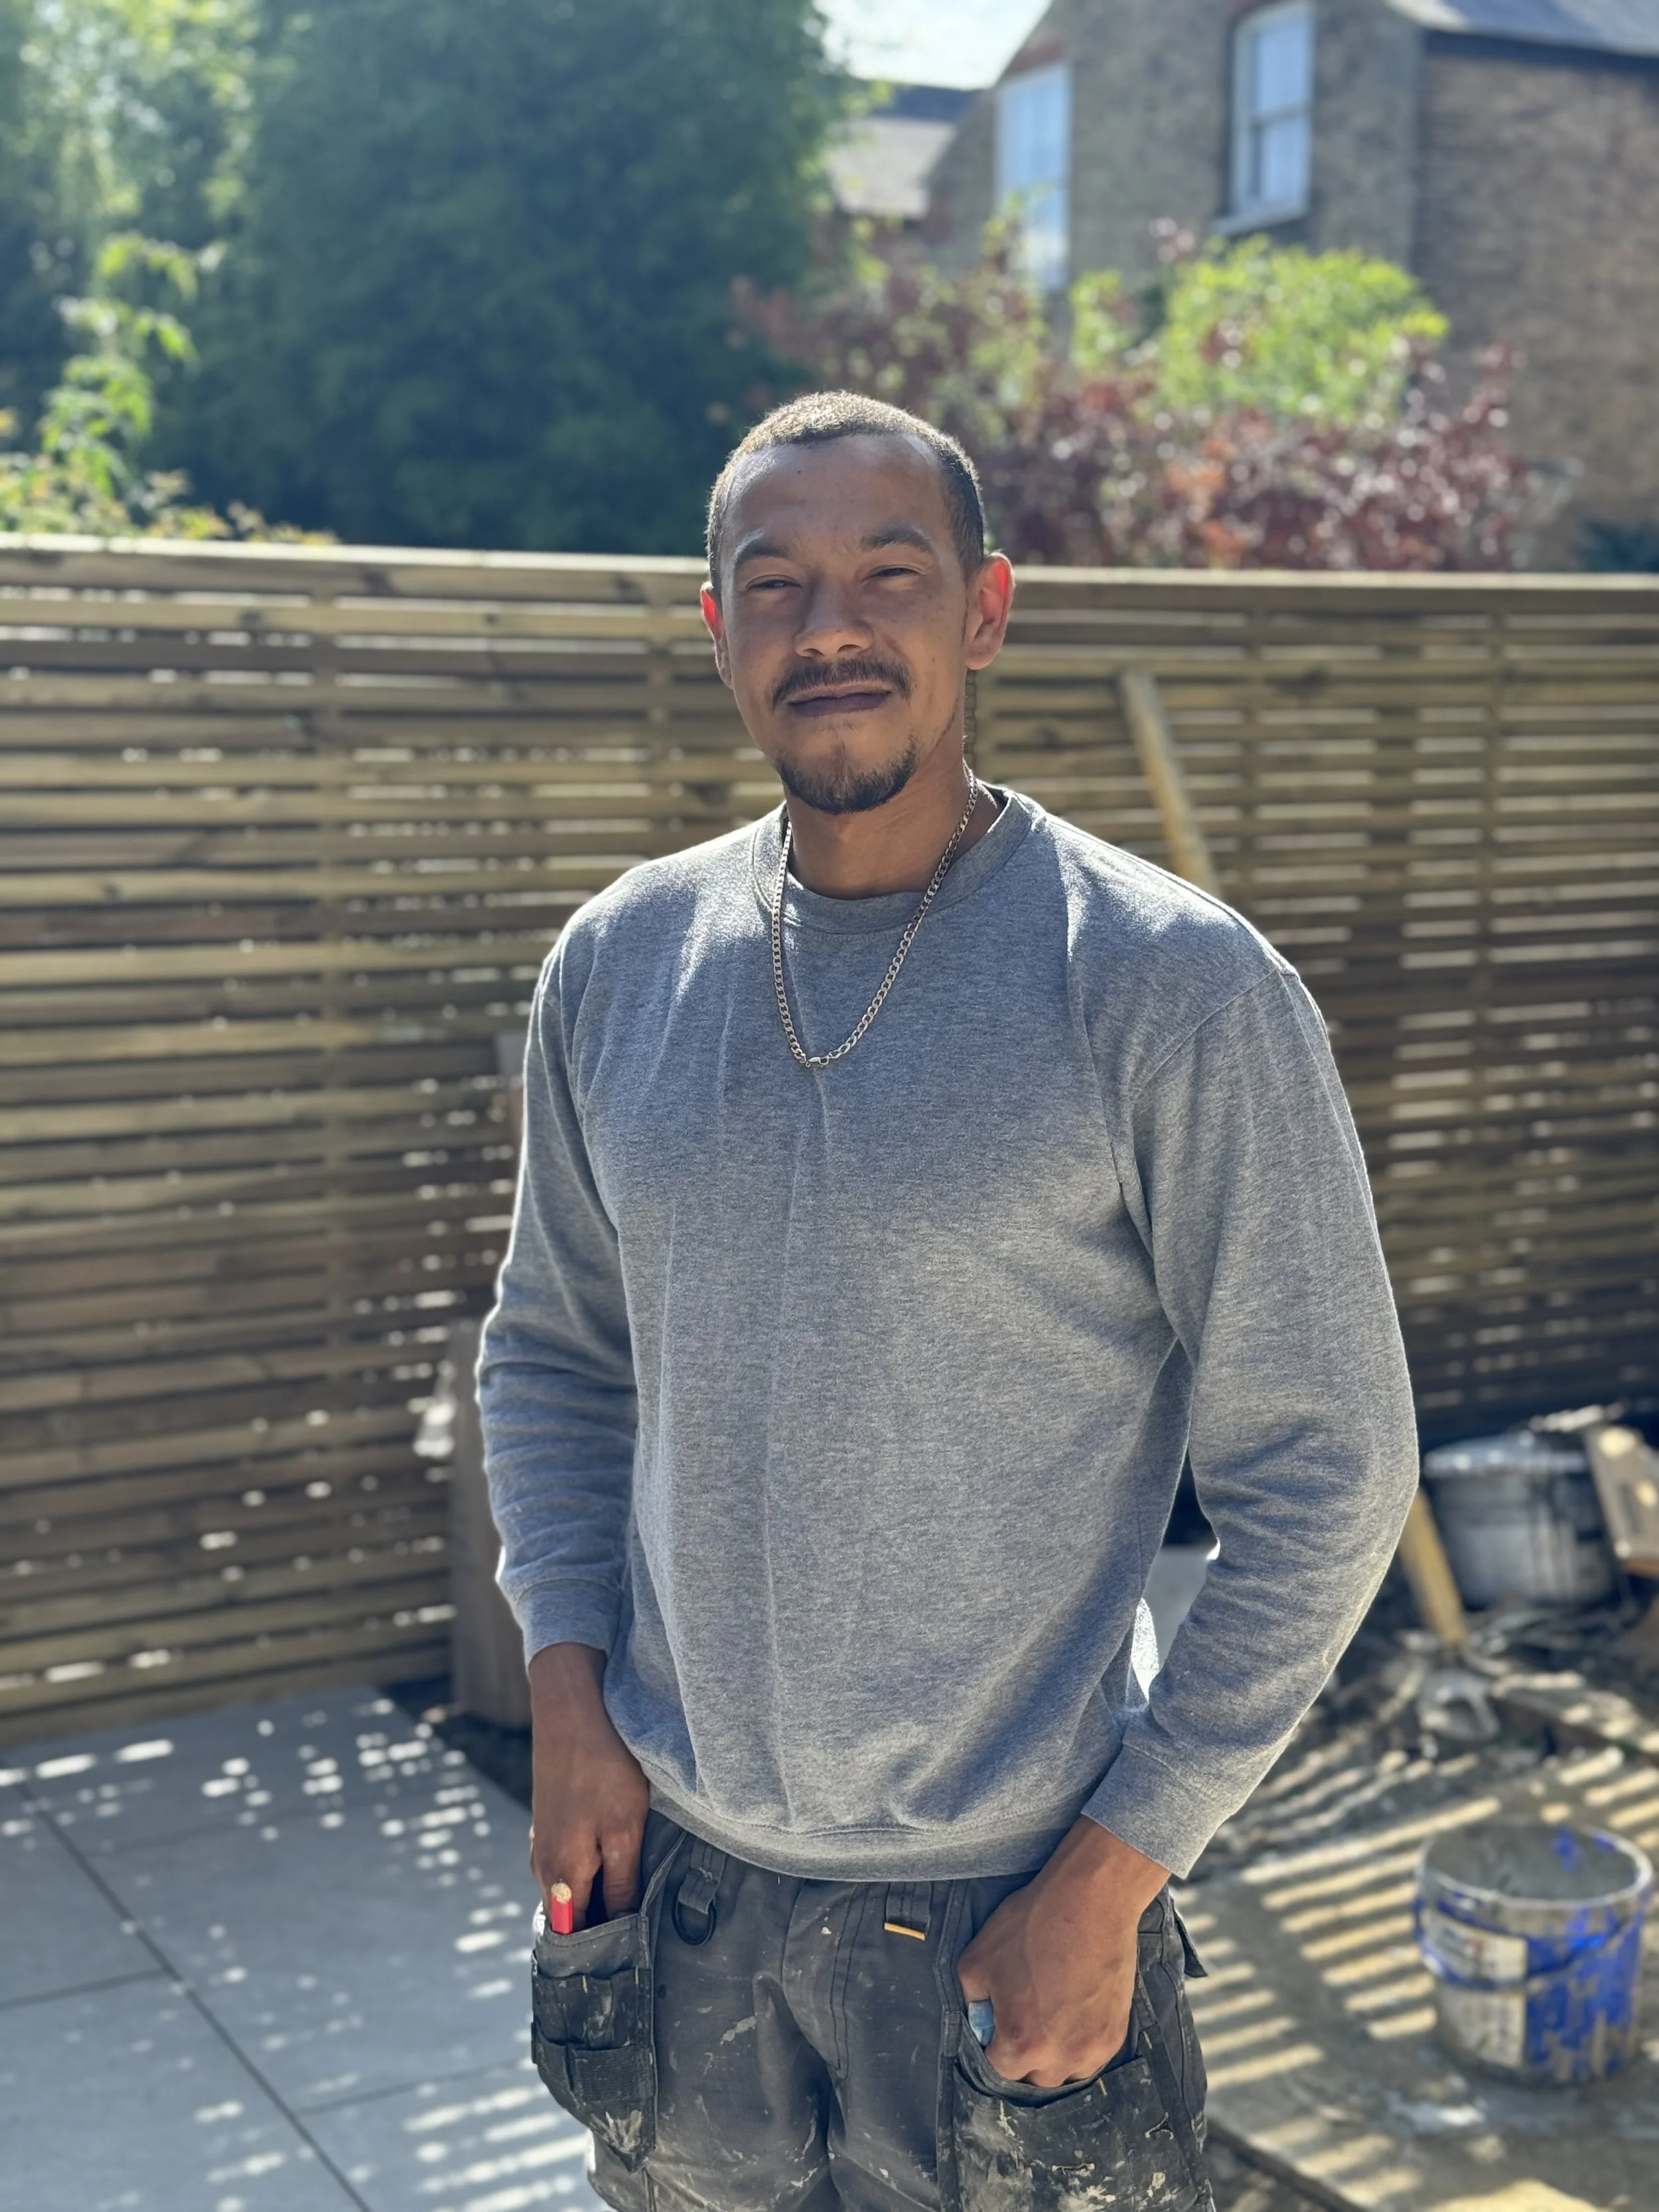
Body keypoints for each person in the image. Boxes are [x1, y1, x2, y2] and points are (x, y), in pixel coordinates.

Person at [477, 391, 1419, 2212]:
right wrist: (567, 1688)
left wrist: (1114, 1872)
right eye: (776, 583)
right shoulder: (615, 967)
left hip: (1016, 1917)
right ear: (719, 631)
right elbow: (556, 1354)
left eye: (886, 575)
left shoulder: (1166, 988)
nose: (829, 626)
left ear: (982, 610)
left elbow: (1333, 1466)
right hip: (675, 1904)